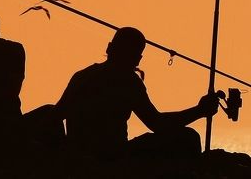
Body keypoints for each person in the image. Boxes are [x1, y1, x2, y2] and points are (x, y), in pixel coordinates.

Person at [53, 27, 218, 159]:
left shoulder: (82, 76)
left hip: (79, 155)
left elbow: (57, 114)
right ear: (137, 58)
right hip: (114, 157)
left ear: (109, 48)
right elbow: (157, 123)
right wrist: (199, 111)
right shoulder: (129, 82)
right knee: (188, 138)